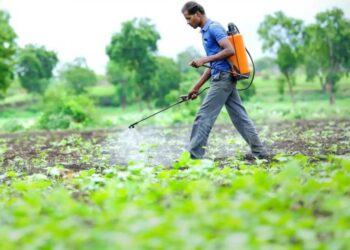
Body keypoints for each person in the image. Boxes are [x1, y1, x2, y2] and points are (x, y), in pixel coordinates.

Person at [181, 1, 269, 160]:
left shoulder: (214, 28)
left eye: (188, 18)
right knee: (240, 118)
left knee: (203, 116)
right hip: (221, 77)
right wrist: (196, 87)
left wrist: (204, 59)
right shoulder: (205, 32)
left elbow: (230, 50)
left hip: (223, 79)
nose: (187, 23)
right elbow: (214, 64)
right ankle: (260, 153)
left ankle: (194, 158)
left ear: (198, 14)